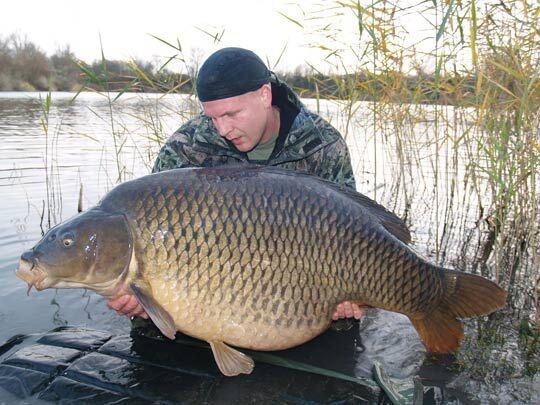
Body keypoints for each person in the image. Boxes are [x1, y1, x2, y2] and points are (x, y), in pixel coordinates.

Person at [108, 47, 365, 325]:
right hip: (209, 292)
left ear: (265, 95)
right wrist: (144, 300)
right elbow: (156, 235)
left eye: (232, 114)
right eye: (213, 117)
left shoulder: (322, 144)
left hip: (302, 291)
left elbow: (351, 229)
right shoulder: (186, 148)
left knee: (344, 325)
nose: (222, 129)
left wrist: (353, 297)